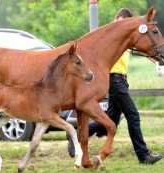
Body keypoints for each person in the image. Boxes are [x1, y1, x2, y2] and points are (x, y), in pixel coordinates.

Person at [67, 8, 163, 164]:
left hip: (121, 80)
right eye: (123, 22)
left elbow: (140, 48)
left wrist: (156, 61)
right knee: (133, 115)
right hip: (115, 79)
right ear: (118, 18)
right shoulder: (109, 38)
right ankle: (143, 155)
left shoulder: (123, 38)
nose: (124, 25)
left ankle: (77, 135)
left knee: (110, 119)